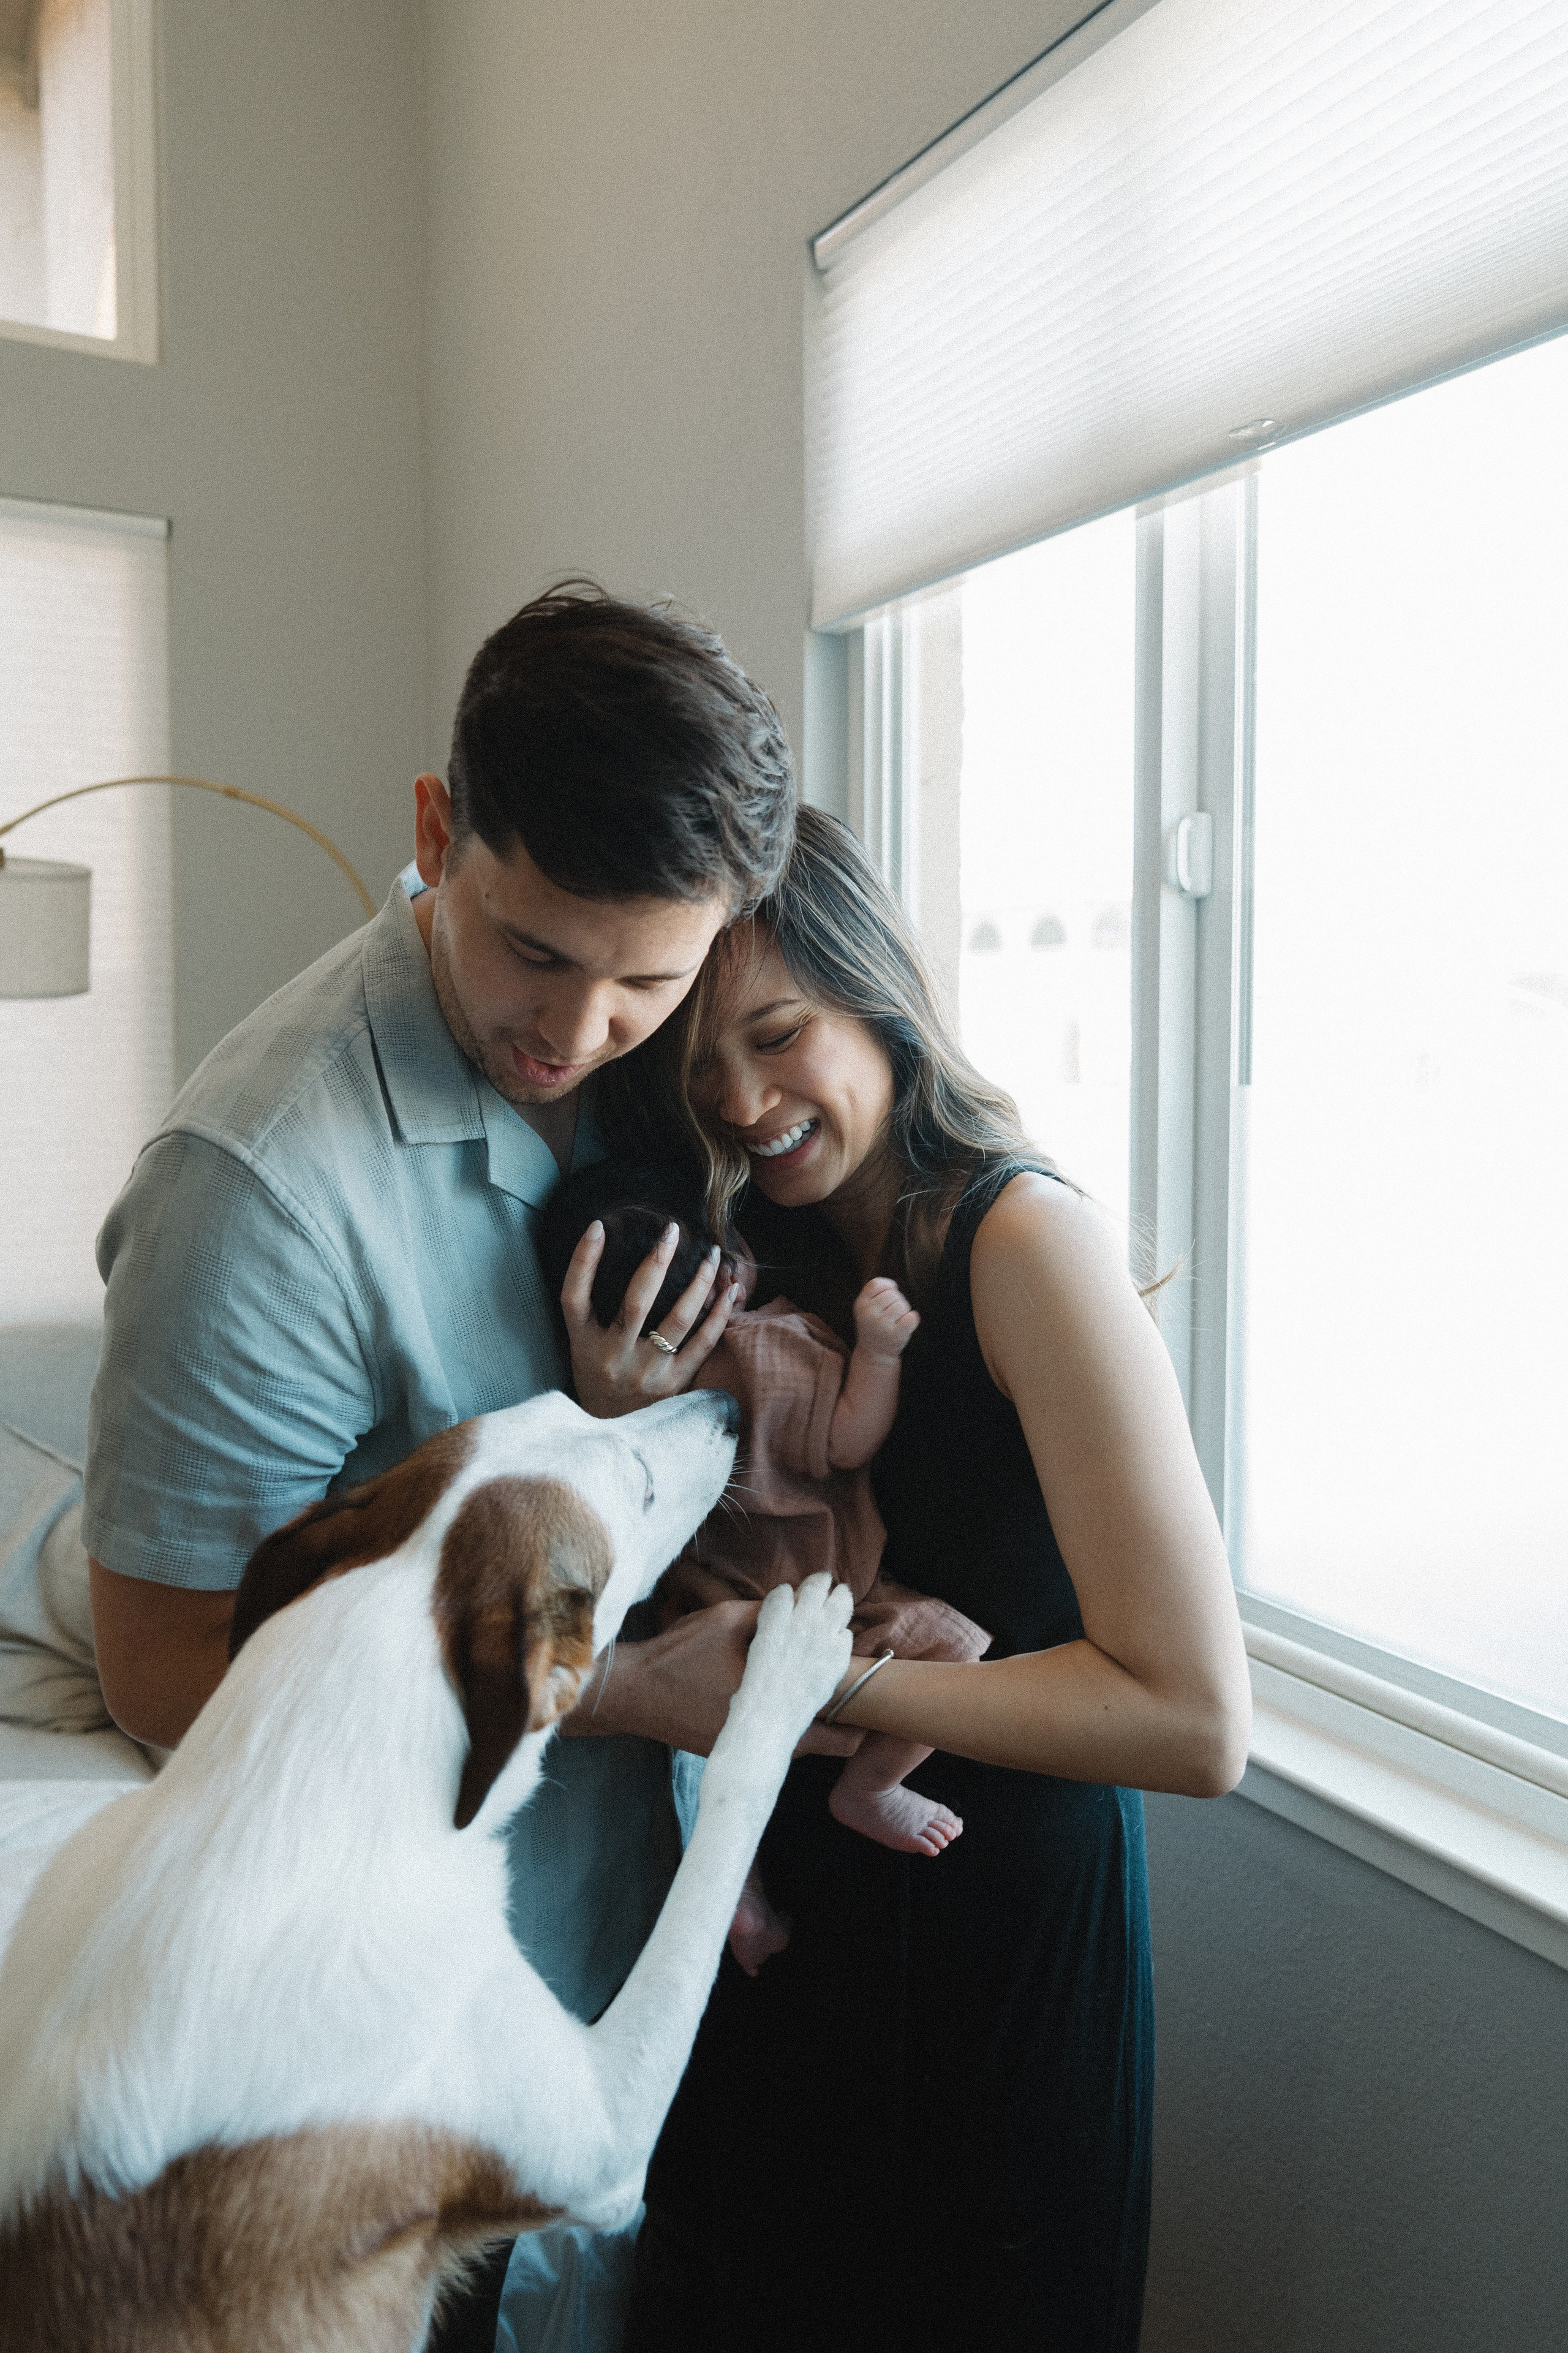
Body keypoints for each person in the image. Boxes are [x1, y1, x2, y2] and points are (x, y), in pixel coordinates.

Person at [80, 583, 823, 2353]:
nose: (580, 1031)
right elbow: (169, 1672)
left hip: (613, 1926)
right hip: (374, 2035)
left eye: (650, 976)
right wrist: (640, 1696)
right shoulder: (254, 1191)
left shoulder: (681, 1068)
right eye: (535, 954)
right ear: (436, 834)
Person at [558, 807, 1253, 2353]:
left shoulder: (1023, 1245)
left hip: (990, 1949)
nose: (740, 1100)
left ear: (876, 994)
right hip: (793, 1938)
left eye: (779, 1033)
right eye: (695, 1066)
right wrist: (614, 1421)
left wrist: (812, 1685)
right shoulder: (773, 1262)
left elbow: (1196, 1721)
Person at [538, 1159, 989, 1974]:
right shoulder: (773, 1352)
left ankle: (736, 1900)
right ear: (735, 1262)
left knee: (706, 1763)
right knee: (955, 1646)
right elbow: (851, 1438)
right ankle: (870, 1789)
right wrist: (880, 1352)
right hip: (822, 1600)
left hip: (699, 1615)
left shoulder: (629, 1394)